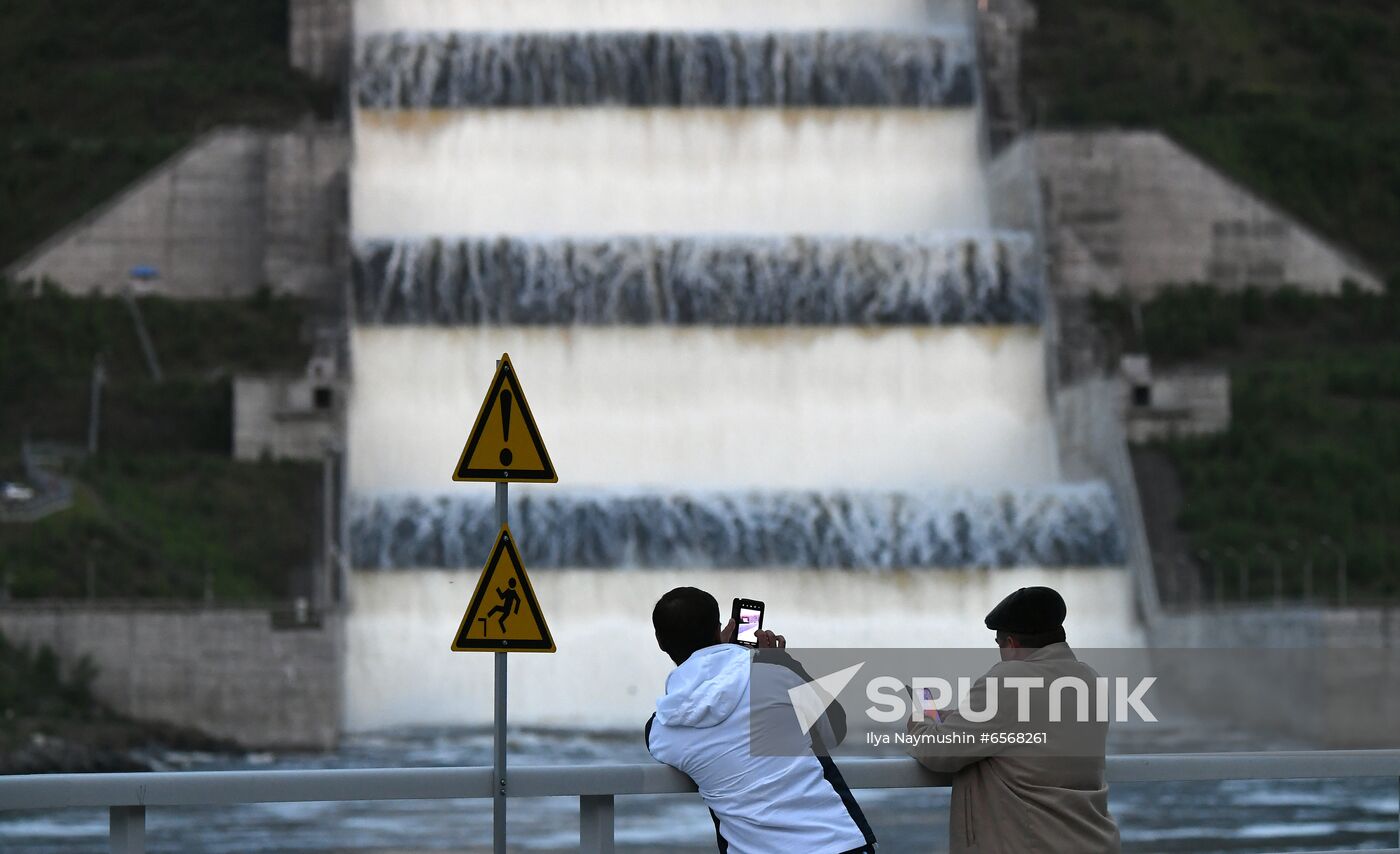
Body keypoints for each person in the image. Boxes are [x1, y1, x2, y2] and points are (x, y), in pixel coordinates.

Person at [645, 586, 876, 854]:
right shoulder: (776, 674)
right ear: (721, 628)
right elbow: (834, 728)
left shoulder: (664, 730)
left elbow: (673, 718)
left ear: (661, 643)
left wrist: (726, 662)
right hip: (834, 843)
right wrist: (785, 662)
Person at [906, 586, 1121, 854]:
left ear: (1011, 643)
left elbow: (937, 750)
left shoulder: (1009, 680)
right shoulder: (1089, 679)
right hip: (1093, 842)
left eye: (999, 645)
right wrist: (959, 719)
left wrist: (922, 718)